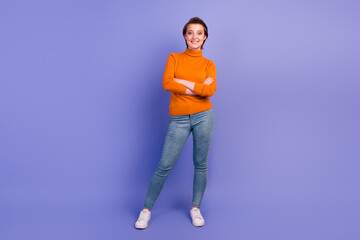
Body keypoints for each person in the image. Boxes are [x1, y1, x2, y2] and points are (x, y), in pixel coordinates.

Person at [135, 17, 217, 229]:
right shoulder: (174, 57)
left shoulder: (209, 64)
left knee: (201, 165)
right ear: (184, 36)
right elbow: (166, 83)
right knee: (164, 165)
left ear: (205, 37)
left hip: (204, 116)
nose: (194, 37)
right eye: (190, 32)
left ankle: (195, 208)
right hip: (178, 119)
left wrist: (182, 82)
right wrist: (198, 86)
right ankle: (146, 210)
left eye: (199, 33)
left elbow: (210, 91)